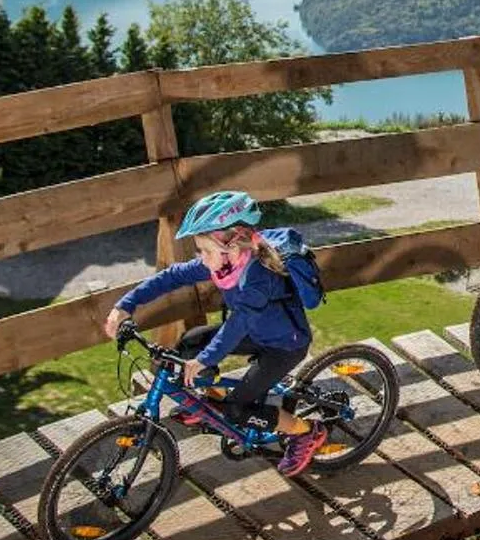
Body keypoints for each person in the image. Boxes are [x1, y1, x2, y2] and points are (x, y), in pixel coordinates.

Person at [102, 190, 328, 478]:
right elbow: (172, 276)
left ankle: (306, 432)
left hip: (283, 345)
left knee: (238, 410)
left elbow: (239, 323)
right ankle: (209, 405)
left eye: (206, 251)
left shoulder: (259, 275)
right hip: (256, 333)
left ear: (233, 246)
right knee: (189, 342)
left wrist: (205, 360)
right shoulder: (224, 261)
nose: (202, 259)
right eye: (200, 251)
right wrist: (125, 306)